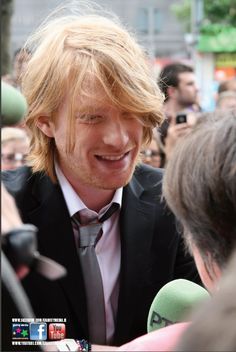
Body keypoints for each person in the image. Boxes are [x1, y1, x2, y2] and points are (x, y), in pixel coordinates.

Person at [2, 6, 200, 347]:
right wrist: (75, 344)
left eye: (130, 113)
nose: (119, 139)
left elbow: (192, 331)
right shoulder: (9, 210)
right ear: (45, 121)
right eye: (93, 117)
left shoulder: (176, 202)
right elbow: (12, 330)